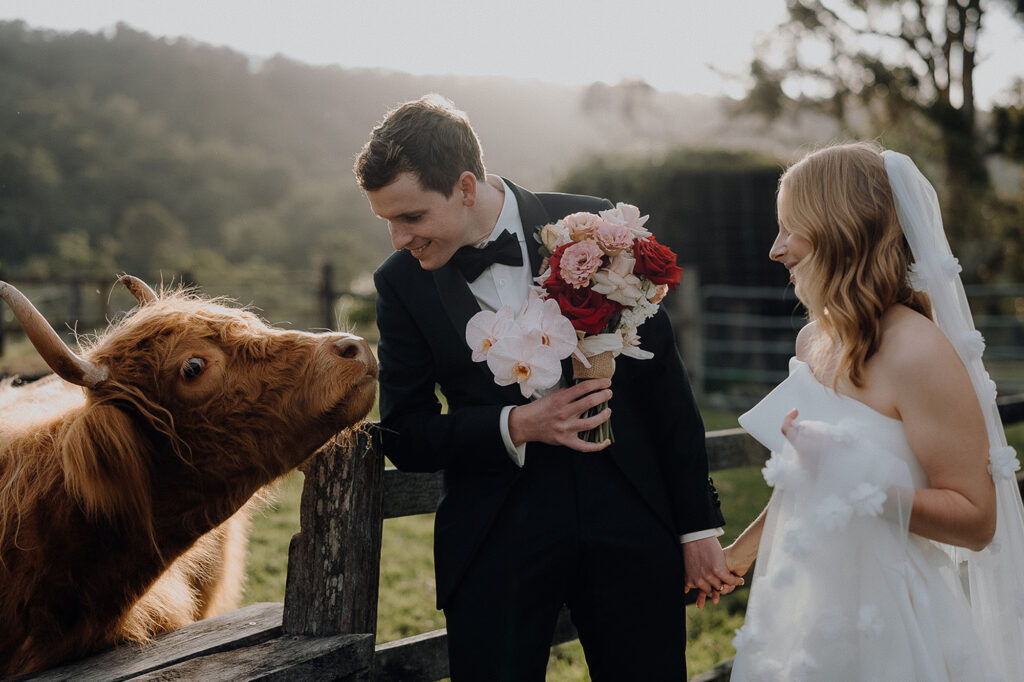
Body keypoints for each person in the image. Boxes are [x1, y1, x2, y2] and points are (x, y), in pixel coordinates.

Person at [355, 94, 738, 680]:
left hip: (631, 519)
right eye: (386, 221)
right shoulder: (399, 284)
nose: (398, 238)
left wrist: (698, 528)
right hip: (496, 539)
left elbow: (667, 393)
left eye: (410, 217)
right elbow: (406, 434)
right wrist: (515, 425)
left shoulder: (598, 228)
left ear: (463, 187)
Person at [724, 141, 1024, 680]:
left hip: (894, 620)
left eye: (790, 228)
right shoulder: (811, 341)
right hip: (806, 604)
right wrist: (739, 556)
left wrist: (858, 482)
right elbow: (809, 478)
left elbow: (977, 521)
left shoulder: (917, 351)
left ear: (842, 228)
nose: (775, 249)